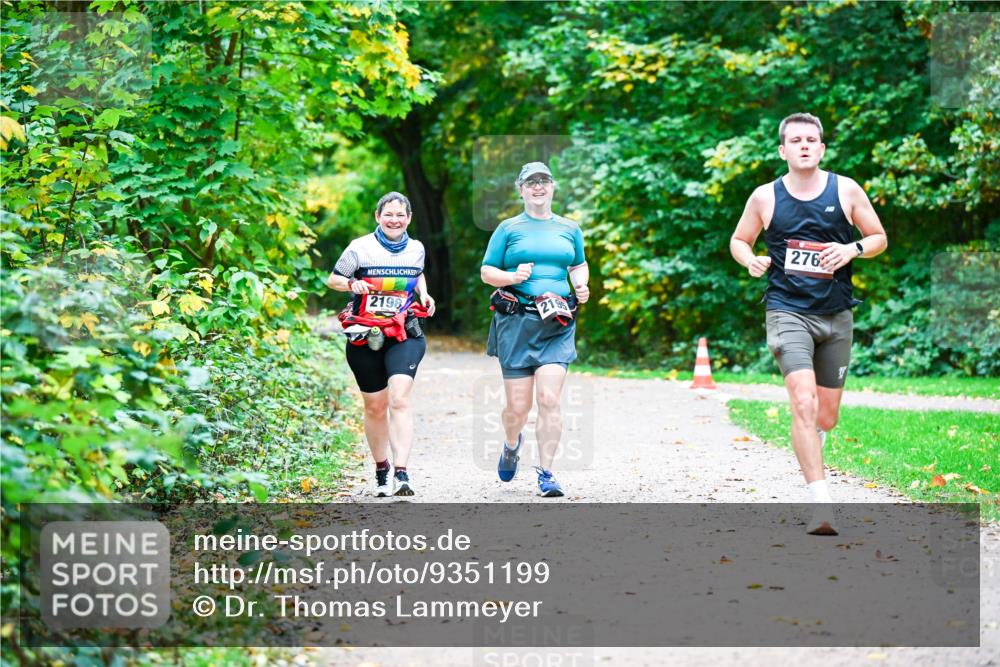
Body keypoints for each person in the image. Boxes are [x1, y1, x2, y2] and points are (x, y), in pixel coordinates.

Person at [729, 113, 887, 534]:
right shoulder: (765, 197)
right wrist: (751, 260)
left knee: (827, 416)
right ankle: (821, 502)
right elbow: (739, 240)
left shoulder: (846, 189)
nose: (803, 145)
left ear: (821, 149)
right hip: (787, 311)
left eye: (811, 139)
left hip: (836, 313)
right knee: (802, 401)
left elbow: (878, 237)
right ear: (783, 150)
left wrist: (851, 249)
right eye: (795, 140)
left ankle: (814, 448)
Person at [480, 162, 589, 497]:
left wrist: (581, 286)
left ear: (553, 186)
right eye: (531, 183)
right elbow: (486, 272)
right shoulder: (508, 228)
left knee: (549, 398)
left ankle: (547, 473)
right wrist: (512, 278)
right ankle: (512, 443)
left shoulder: (569, 228)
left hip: (556, 322)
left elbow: (578, 264)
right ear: (521, 188)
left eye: (543, 181)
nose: (538, 187)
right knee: (517, 408)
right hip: (516, 322)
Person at [326, 192, 435, 497]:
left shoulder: (416, 248)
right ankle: (382, 469)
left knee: (399, 398)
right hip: (364, 334)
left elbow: (418, 274)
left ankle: (402, 472)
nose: (394, 220)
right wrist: (351, 284)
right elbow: (333, 279)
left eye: (400, 215)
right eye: (388, 214)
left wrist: (424, 295)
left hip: (403, 333)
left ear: (408, 218)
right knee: (375, 406)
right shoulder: (359, 248)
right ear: (378, 217)